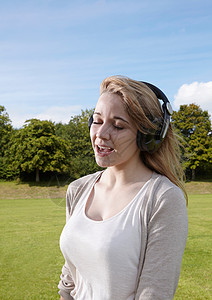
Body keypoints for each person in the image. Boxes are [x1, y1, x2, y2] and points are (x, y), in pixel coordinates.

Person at [58, 75, 188, 300]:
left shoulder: (163, 199)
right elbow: (70, 277)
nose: (101, 134)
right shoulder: (78, 190)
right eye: (97, 121)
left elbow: (154, 294)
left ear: (148, 137)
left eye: (118, 126)